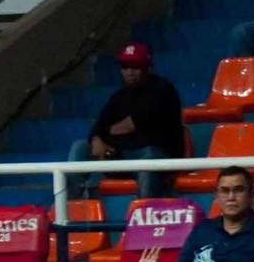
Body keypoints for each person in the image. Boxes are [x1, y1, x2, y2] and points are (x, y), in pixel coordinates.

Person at [66, 42, 185, 199]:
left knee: (148, 160)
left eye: (135, 67)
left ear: (148, 68)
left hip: (157, 155)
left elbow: (133, 124)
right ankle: (71, 204)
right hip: (123, 154)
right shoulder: (120, 96)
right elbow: (99, 126)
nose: (129, 72)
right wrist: (96, 140)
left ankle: (145, 210)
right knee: (80, 147)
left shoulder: (163, 89)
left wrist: (105, 137)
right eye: (125, 66)